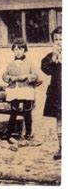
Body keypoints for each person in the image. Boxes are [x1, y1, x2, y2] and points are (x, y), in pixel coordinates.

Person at [2, 38, 38, 142]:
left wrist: (26, 76)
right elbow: (4, 75)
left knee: (27, 112)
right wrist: (9, 78)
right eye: (16, 49)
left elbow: (35, 75)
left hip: (26, 90)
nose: (18, 52)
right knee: (13, 111)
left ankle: (28, 134)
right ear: (13, 50)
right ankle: (9, 133)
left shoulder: (29, 63)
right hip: (15, 90)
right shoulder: (10, 64)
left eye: (21, 49)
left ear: (25, 50)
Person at [41, 26, 62, 160]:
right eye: (56, 39)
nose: (59, 41)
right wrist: (54, 55)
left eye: (62, 38)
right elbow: (46, 69)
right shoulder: (51, 57)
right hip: (57, 93)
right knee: (60, 121)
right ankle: (62, 148)